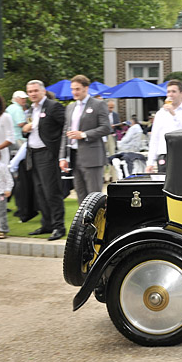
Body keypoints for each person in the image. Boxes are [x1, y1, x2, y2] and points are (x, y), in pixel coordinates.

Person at [21, 80, 67, 240]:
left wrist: (61, 151)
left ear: (43, 91)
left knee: (51, 192)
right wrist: (24, 130)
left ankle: (59, 226)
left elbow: (65, 127)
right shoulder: (30, 110)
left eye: (35, 91)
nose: (32, 94)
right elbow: (30, 131)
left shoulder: (53, 107)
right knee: (40, 192)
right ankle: (47, 224)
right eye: (30, 91)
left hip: (47, 154)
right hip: (33, 154)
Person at [59, 74, 112, 206]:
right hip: (75, 157)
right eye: (72, 89)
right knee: (81, 196)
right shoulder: (70, 107)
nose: (74, 92)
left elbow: (106, 128)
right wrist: (62, 157)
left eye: (77, 89)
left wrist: (83, 135)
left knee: (94, 197)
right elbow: (65, 133)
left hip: (93, 157)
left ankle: (99, 224)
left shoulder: (98, 104)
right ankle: (84, 225)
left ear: (86, 88)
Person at [147, 80, 182, 173]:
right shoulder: (160, 114)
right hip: (164, 154)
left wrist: (173, 114)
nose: (170, 94)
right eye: (168, 92)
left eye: (174, 91)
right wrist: (150, 162)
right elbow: (155, 138)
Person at [6, 90, 29, 155]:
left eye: (25, 98)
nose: (24, 100)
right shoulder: (18, 109)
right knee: (25, 154)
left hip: (9, 137)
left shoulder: (9, 107)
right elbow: (21, 123)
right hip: (17, 137)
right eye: (22, 98)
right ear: (16, 99)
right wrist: (30, 124)